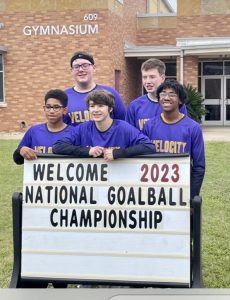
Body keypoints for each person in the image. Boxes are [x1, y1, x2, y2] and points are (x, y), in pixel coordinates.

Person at [142, 80, 205, 199]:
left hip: (182, 187)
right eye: (163, 94)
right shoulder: (149, 126)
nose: (166, 98)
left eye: (172, 94)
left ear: (180, 100)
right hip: (154, 188)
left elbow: (199, 166)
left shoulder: (193, 128)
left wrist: (191, 196)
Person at [53, 89, 155, 160]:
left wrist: (118, 153)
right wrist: (87, 151)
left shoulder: (123, 127)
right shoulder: (83, 128)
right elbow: (58, 146)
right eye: (92, 106)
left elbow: (149, 146)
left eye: (101, 106)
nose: (96, 110)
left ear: (110, 108)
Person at [64, 51, 126, 126]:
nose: (81, 70)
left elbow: (123, 123)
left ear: (94, 68)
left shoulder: (110, 93)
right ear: (71, 71)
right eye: (76, 67)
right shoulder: (64, 97)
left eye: (85, 65)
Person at [13, 89, 75, 165]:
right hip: (37, 176)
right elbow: (17, 160)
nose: (51, 111)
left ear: (65, 110)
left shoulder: (74, 133)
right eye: (48, 107)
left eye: (56, 107)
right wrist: (21, 150)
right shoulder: (34, 131)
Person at [126, 58, 187, 130]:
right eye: (144, 77)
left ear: (162, 78)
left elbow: (184, 131)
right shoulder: (134, 106)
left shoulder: (176, 104)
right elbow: (128, 136)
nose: (147, 81)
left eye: (152, 77)